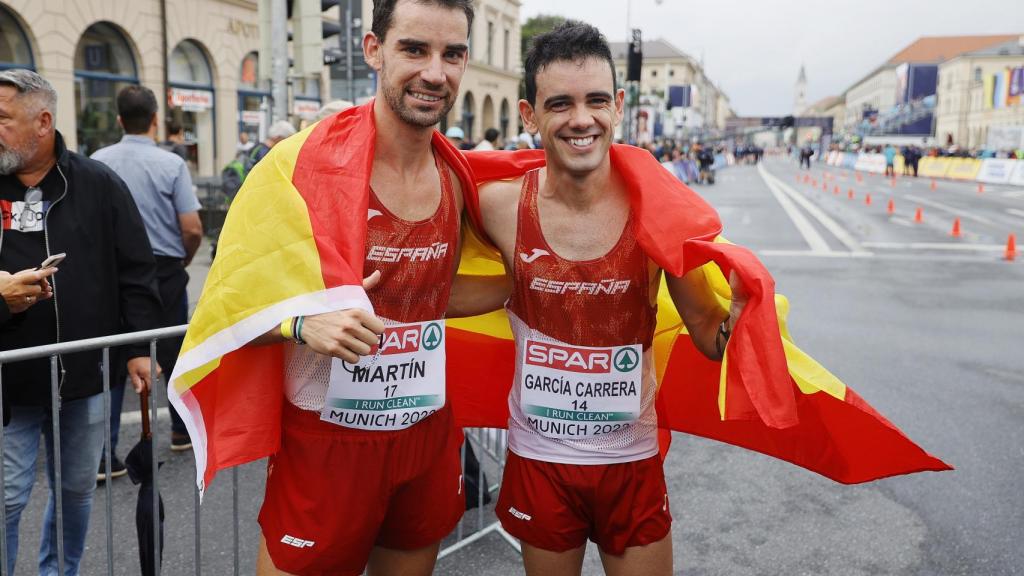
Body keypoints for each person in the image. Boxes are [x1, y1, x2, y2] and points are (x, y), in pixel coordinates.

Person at [465, 21, 747, 576]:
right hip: (540, 461)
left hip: (630, 465)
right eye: (560, 103)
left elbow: (708, 332)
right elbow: (430, 274)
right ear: (529, 115)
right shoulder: (497, 207)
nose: (581, 119)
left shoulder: (657, 211)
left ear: (617, 106)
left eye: (596, 100)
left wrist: (739, 317)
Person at [245, 1, 476, 574]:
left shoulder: (459, 177)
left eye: (452, 54)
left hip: (424, 433)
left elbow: (438, 295)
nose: (434, 72)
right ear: (374, 50)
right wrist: (302, 323)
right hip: (328, 442)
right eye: (414, 49)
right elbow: (223, 319)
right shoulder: (299, 168)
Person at [0, 68, 162, 576]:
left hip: (85, 376)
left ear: (42, 122)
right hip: (8, 381)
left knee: (74, 492)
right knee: (7, 497)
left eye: (2, 119)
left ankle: (59, 573)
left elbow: (137, 268)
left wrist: (138, 348)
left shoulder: (97, 183)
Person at [92, 85, 204, 472]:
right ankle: (179, 430)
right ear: (155, 120)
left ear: (120, 120)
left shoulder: (97, 162)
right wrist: (183, 262)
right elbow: (191, 228)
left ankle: (105, 453)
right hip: (164, 269)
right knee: (173, 354)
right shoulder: (171, 164)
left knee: (118, 353)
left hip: (114, 272)